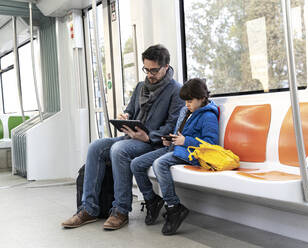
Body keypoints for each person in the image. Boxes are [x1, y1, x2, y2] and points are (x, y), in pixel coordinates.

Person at [62, 44, 184, 230]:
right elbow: (131, 110)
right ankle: (88, 209)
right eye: (146, 69)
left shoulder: (176, 90)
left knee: (119, 150)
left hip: (153, 144)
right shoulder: (141, 87)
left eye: (154, 70)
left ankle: (121, 210)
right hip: (132, 137)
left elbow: (172, 125)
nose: (149, 74)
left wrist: (148, 137)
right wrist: (125, 117)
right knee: (96, 146)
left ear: (166, 67)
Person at [131, 78, 219, 235]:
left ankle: (173, 207)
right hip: (175, 149)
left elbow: (210, 145)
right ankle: (152, 200)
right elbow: (181, 134)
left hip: (192, 154)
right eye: (185, 101)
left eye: (190, 100)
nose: (187, 104)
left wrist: (185, 141)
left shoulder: (208, 116)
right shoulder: (187, 111)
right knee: (136, 164)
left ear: (202, 98)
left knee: (159, 164)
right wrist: (170, 140)